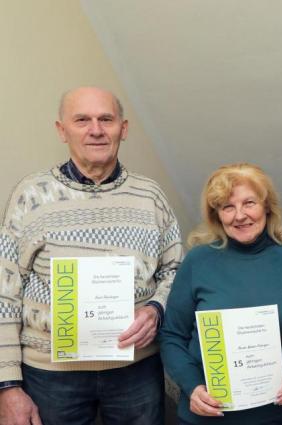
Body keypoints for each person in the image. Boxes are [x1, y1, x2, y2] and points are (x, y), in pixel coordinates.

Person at [0, 86, 183, 425]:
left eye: (106, 119)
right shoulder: (30, 195)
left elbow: (175, 270)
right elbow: (4, 293)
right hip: (50, 375)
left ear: (123, 129)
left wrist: (157, 308)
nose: (96, 130)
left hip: (136, 371)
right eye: (82, 120)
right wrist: (7, 386)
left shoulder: (150, 196)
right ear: (62, 130)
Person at [160, 163, 282, 425]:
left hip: (281, 412)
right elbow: (172, 336)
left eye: (249, 203)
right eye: (227, 207)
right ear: (217, 215)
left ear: (267, 206)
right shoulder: (198, 261)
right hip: (209, 413)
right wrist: (193, 387)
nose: (239, 215)